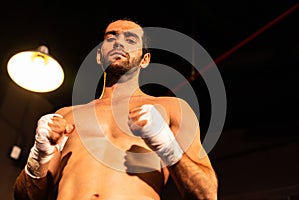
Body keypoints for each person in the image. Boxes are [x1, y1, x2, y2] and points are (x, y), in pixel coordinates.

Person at [13, 19, 218, 200]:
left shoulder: (171, 108)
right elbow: (25, 197)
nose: (119, 42)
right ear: (98, 56)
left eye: (130, 40)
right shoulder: (66, 116)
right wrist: (39, 154)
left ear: (145, 60)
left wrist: (166, 144)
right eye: (111, 37)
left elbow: (206, 194)